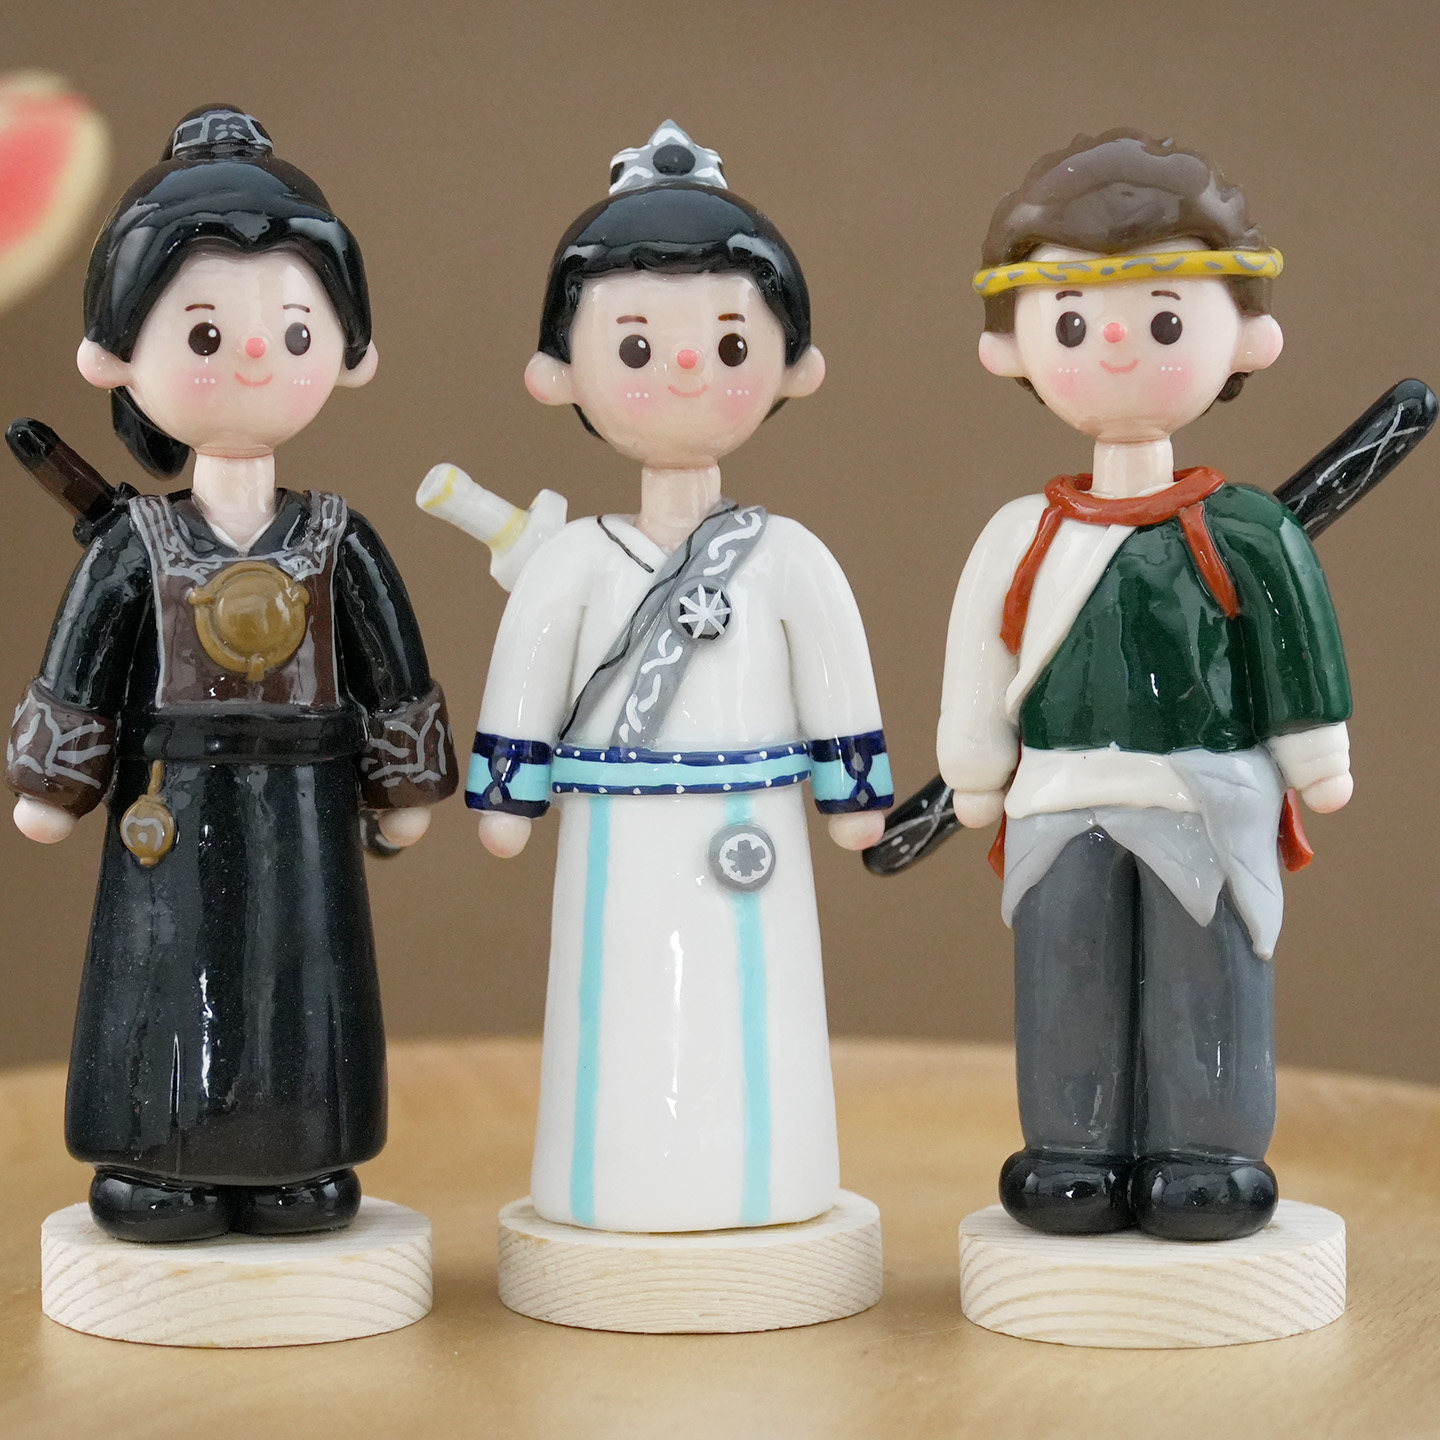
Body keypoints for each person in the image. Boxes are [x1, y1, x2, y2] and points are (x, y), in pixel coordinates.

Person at [6, 106, 457, 1242]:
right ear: (116, 356)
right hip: (171, 796)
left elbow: (392, 664)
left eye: (295, 329)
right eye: (205, 331)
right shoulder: (137, 543)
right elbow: (82, 660)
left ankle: (301, 1155)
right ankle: (158, 1157)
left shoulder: (339, 537)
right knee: (164, 975)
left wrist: (401, 783)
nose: (255, 354)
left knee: (302, 975)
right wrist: (57, 782)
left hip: (305, 802)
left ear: (348, 351)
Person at [469, 122, 892, 1233]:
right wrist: (511, 790)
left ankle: (771, 1184)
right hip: (616, 833)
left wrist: (851, 788)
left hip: (752, 820)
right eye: (637, 346)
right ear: (559, 373)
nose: (691, 366)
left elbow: (836, 671)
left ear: (793, 366)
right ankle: (607, 1186)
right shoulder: (573, 561)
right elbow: (528, 673)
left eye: (731, 342)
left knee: (757, 1014)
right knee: (615, 1007)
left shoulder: (788, 555)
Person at [939, 129, 1351, 1241]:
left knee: (1206, 976)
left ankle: (1208, 1152)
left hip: (1206, 794)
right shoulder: (1024, 534)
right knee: (1065, 970)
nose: (1116, 343)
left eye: (1165, 319)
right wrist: (975, 765)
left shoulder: (1247, 529)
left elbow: (1294, 642)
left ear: (1248, 338)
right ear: (1012, 349)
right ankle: (1073, 1147)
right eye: (1073, 321)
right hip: (1060, 794)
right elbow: (981, 653)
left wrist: (1315, 753)